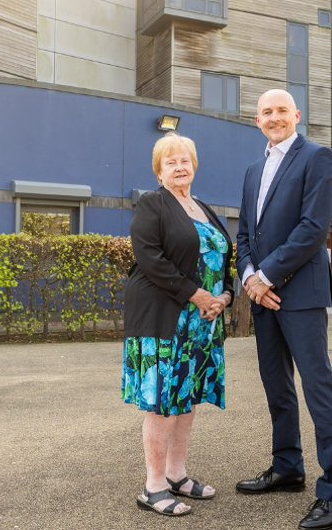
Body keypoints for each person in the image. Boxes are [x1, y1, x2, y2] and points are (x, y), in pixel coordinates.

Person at [235, 89, 332, 529]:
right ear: (257, 120)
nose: (274, 117)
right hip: (264, 297)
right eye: (266, 112)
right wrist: (250, 279)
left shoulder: (317, 158)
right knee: (276, 387)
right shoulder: (252, 170)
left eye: (282, 110)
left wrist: (265, 277)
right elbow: (245, 233)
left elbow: (312, 228)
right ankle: (287, 467)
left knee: (318, 389)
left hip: (300, 295)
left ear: (296, 115)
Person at [122, 131, 234, 517]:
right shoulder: (152, 204)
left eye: (185, 160)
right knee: (163, 403)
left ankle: (176, 474)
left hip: (202, 323)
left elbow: (223, 258)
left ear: (194, 166)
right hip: (165, 320)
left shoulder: (203, 207)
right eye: (170, 162)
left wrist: (225, 296)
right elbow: (150, 258)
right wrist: (197, 294)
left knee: (186, 399)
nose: (179, 167)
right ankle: (153, 487)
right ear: (159, 173)